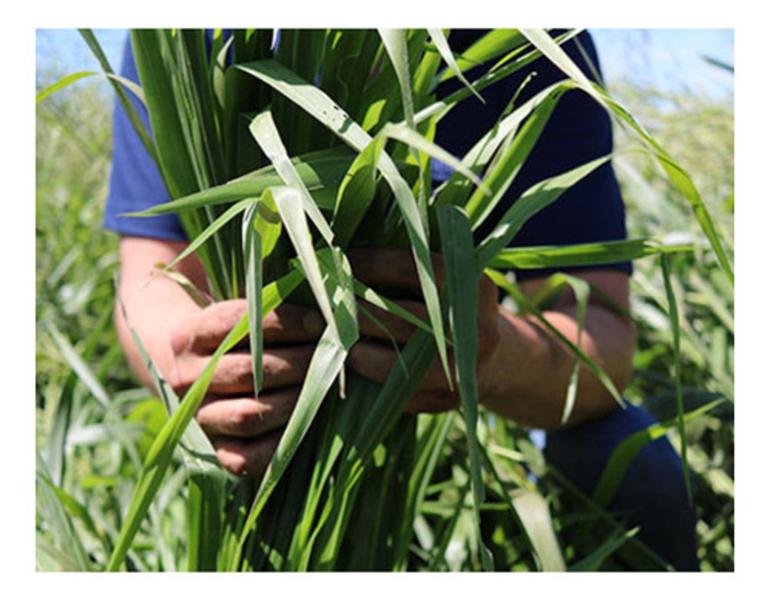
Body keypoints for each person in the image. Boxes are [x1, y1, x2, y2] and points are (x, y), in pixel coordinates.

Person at [105, 29, 699, 571]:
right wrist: (199, 366)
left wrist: (492, 358)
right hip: (262, 442)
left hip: (485, 428)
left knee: (638, 468)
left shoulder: (538, 44)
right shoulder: (187, 30)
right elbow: (149, 276)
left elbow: (604, 336)